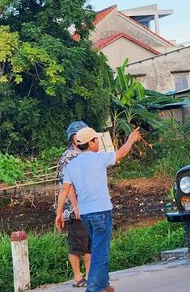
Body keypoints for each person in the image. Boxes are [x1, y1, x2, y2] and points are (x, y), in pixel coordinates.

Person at [56, 127, 142, 292]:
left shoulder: (72, 165)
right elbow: (122, 153)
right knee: (100, 253)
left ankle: (103, 285)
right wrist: (131, 139)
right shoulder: (99, 158)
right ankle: (93, 289)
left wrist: (59, 213)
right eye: (96, 140)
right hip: (101, 213)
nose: (98, 143)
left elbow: (64, 190)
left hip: (85, 216)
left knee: (99, 249)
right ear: (90, 143)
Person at [57, 121, 92, 288]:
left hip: (88, 205)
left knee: (89, 243)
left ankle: (90, 275)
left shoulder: (86, 153)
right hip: (74, 208)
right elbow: (67, 185)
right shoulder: (68, 156)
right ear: (74, 138)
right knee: (77, 243)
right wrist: (76, 205)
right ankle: (78, 277)